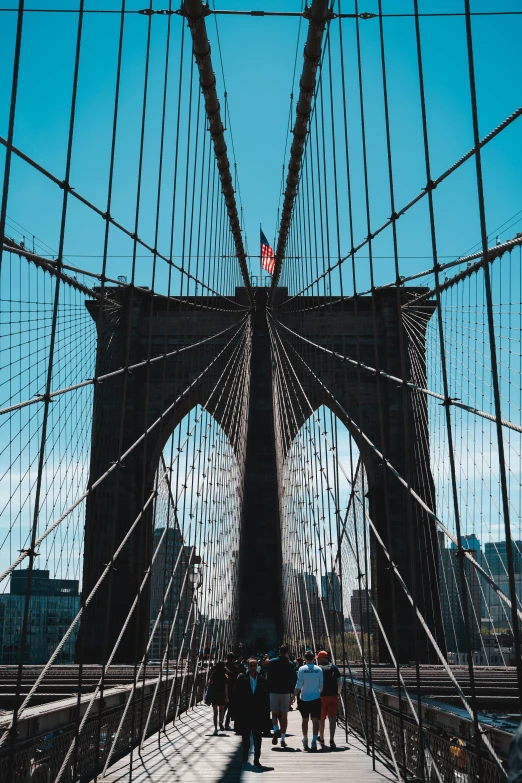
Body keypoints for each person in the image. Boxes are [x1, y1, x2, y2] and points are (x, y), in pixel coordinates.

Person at [235, 657, 271, 768]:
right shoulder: (242, 679)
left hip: (258, 713)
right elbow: (237, 697)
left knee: (257, 738)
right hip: (245, 713)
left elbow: (266, 699)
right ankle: (245, 756)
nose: (252, 668)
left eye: (254, 666)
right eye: (250, 666)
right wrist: (237, 714)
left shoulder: (262, 680)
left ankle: (256, 759)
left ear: (257, 666)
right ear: (247, 666)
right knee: (245, 737)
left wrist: (266, 715)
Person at [294, 650, 323, 751]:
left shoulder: (302, 669)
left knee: (305, 720)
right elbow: (321, 686)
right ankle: (314, 741)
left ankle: (305, 739)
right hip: (315, 698)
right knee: (315, 721)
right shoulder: (319, 669)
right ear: (314, 658)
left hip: (304, 698)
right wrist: (318, 694)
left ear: (305, 659)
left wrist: (293, 696)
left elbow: (299, 685)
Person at [267, 644, 296, 748]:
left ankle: (275, 729)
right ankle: (283, 739)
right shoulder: (290, 664)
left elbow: (268, 677)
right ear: (287, 652)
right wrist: (292, 693)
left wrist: (268, 689)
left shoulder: (271, 662)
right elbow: (293, 679)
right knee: (284, 716)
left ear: (279, 651)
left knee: (274, 714)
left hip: (274, 691)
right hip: (285, 692)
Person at [316, 650, 343, 749]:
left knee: (321, 719)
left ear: (323, 658)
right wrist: (338, 693)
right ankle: (332, 740)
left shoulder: (318, 669)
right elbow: (340, 681)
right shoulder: (334, 667)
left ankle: (322, 739)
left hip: (321, 697)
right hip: (333, 696)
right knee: (332, 719)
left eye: (319, 658)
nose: (318, 660)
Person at [224, 652, 243, 730]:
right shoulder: (236, 668)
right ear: (233, 659)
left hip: (223, 689)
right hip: (232, 690)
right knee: (230, 707)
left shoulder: (223, 667)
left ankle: (220, 721)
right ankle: (226, 723)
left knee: (223, 707)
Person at [208, 660, 229, 735]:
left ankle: (215, 729)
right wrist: (226, 697)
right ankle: (220, 721)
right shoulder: (225, 674)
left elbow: (209, 683)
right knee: (221, 711)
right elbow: (226, 686)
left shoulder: (214, 674)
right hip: (222, 694)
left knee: (215, 712)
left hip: (214, 694)